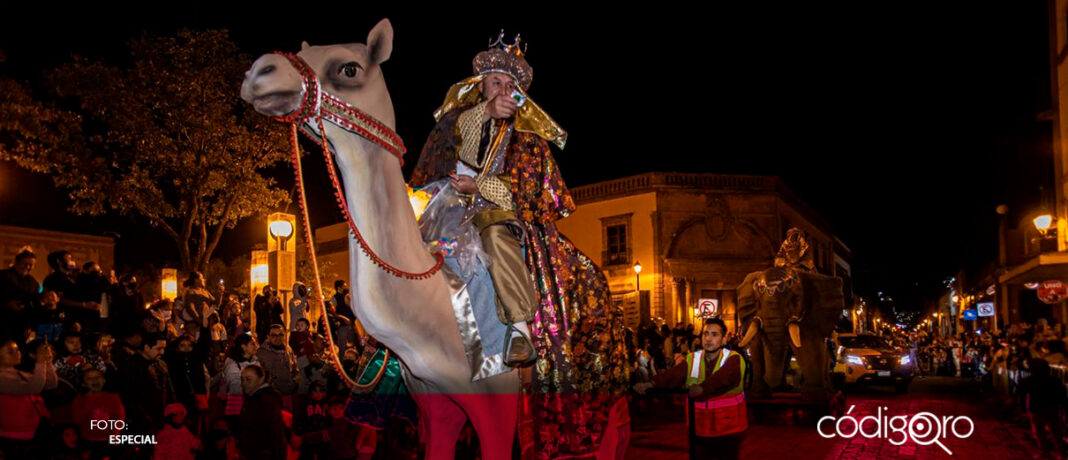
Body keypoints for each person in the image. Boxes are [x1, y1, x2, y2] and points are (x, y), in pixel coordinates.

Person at [638, 318, 747, 460]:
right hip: (700, 430)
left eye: (714, 335)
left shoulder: (734, 359)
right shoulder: (692, 359)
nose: (708, 338)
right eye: (705, 334)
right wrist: (651, 384)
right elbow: (673, 375)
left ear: (724, 340)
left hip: (728, 431)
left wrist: (703, 388)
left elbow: (724, 378)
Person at [0, 339, 57, 458]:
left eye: (17, 350)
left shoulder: (19, 373)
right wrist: (40, 362)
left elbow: (50, 384)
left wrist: (47, 361)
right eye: (10, 351)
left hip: (33, 431)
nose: (17, 353)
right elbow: (34, 387)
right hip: (14, 435)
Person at [118, 332, 175, 437]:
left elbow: (167, 388)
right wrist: (145, 420)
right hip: (142, 422)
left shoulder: (161, 364)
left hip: (160, 418)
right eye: (158, 348)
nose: (162, 352)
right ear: (147, 347)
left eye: (163, 348)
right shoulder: (132, 366)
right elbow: (129, 397)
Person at [72, 367, 124, 458]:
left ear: (104, 380)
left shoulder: (113, 397)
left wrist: (115, 434)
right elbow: (77, 419)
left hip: (108, 439)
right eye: (89, 379)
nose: (94, 380)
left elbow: (119, 416)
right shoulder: (79, 399)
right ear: (84, 384)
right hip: (89, 440)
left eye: (97, 377)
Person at [239, 364, 286, 460]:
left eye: (248, 379)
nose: (244, 383)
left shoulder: (266, 400)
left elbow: (276, 433)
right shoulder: (255, 399)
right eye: (242, 379)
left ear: (261, 379)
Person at [43, 251, 98, 332]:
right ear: (59, 261)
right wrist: (83, 304)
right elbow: (60, 300)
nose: (73, 261)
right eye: (69, 258)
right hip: (66, 319)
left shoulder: (71, 277)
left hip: (81, 318)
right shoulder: (54, 279)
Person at [256, 324, 298, 411]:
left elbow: (295, 369)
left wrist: (294, 384)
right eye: (274, 335)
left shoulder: (288, 350)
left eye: (280, 335)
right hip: (271, 398)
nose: (278, 338)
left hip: (288, 394)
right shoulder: (261, 353)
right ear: (268, 337)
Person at [0, 249, 39, 342]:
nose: (28, 267)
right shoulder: (2, 276)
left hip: (22, 325)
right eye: (25, 264)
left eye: (31, 265)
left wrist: (30, 325)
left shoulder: (33, 282)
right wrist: (7, 304)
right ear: (16, 262)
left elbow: (35, 304)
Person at [220, 333, 259, 423]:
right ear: (243, 347)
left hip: (253, 406)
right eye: (252, 344)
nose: (256, 346)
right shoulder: (232, 364)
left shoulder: (256, 361)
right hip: (237, 407)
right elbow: (235, 386)